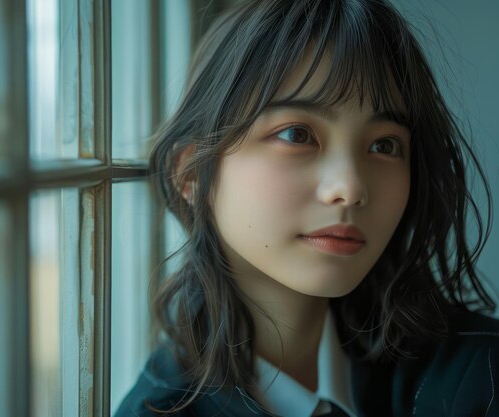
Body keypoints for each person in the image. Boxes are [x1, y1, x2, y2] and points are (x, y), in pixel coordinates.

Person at [115, 0, 499, 416]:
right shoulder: (157, 409)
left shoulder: (480, 377)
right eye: (297, 134)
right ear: (191, 173)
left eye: (384, 145)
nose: (350, 188)